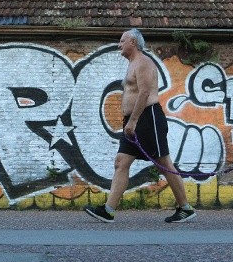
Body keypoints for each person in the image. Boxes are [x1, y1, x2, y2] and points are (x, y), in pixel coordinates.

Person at [84, 28, 197, 223]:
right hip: (134, 120)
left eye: (122, 40)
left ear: (133, 42)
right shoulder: (133, 63)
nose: (119, 44)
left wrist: (133, 121)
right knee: (121, 162)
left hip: (147, 118)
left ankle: (185, 208)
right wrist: (129, 120)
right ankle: (108, 210)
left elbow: (144, 93)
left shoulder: (144, 62)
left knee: (164, 163)